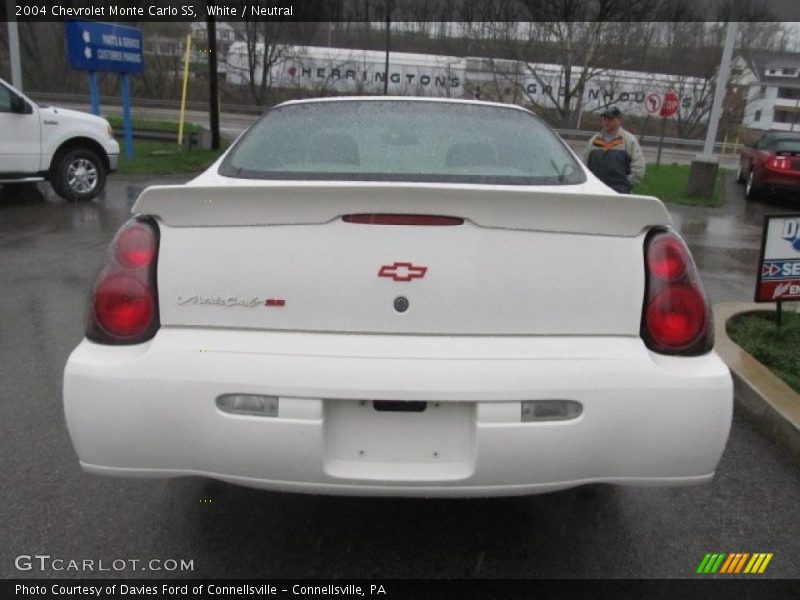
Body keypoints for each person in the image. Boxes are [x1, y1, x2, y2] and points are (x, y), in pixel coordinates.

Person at [583, 107, 645, 194]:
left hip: (619, 194)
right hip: (595, 191)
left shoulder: (629, 140)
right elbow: (584, 164)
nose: (606, 121)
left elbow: (638, 169)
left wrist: (625, 185)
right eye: (604, 118)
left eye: (610, 119)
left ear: (619, 120)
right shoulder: (594, 140)